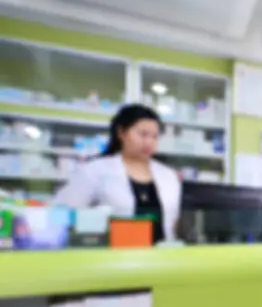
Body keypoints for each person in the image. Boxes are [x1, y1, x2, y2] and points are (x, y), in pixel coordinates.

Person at [55, 104, 181, 243]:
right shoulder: (96, 170)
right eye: (143, 134)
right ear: (121, 132)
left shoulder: (168, 175)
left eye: (154, 137)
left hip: (162, 258)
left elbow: (172, 223)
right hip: (115, 258)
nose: (149, 142)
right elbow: (63, 210)